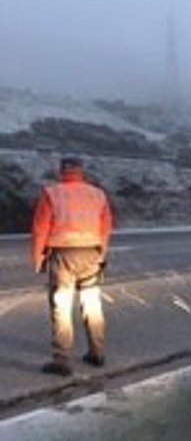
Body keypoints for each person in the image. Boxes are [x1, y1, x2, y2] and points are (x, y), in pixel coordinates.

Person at [31, 157, 113, 376]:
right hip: (92, 253)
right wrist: (102, 254)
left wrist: (38, 260)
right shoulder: (98, 194)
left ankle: (62, 359)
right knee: (92, 302)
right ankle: (97, 353)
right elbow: (106, 228)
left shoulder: (52, 193)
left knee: (61, 303)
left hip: (63, 254)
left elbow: (40, 228)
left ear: (62, 171)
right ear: (81, 171)